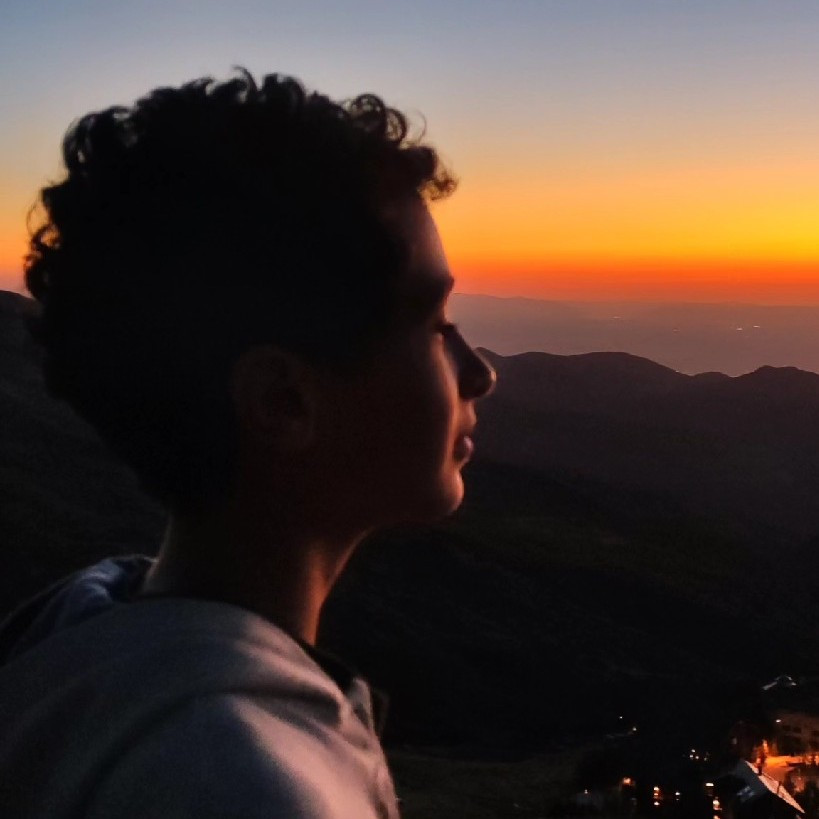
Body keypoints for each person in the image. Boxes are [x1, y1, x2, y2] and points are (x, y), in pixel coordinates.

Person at [0, 70, 495, 817]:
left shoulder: (72, 640)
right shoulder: (240, 783)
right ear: (283, 401)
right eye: (435, 325)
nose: (479, 373)